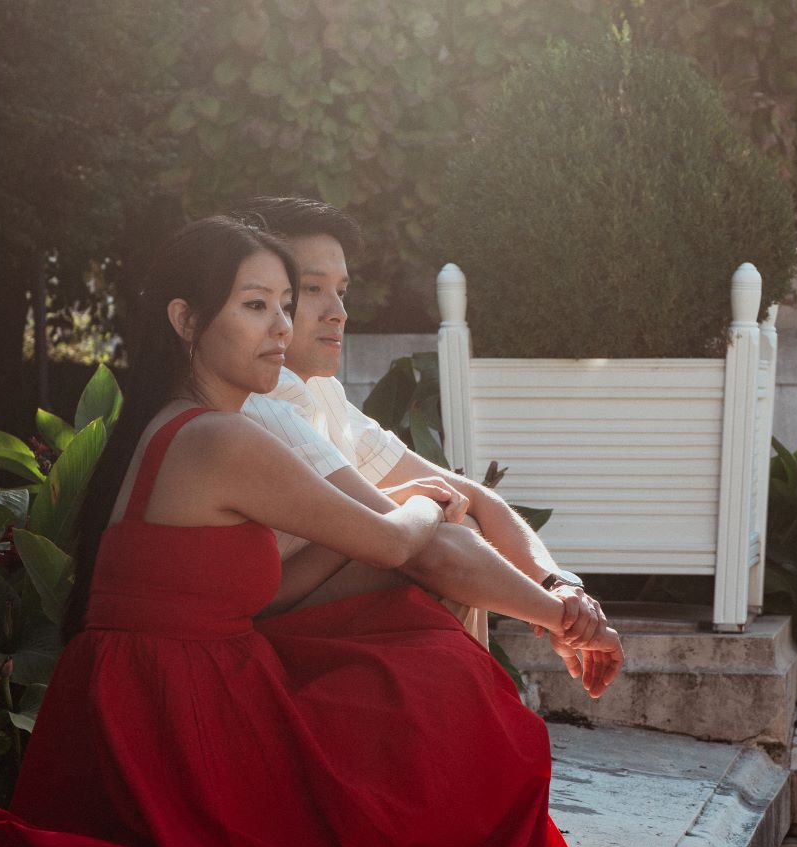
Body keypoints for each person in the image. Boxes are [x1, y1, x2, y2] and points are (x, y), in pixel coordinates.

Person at [0, 216, 618, 847]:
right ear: (186, 320)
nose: (282, 329)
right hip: (178, 719)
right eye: (255, 306)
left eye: (284, 307)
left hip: (149, 698)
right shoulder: (223, 439)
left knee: (417, 670)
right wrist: (431, 502)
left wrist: (420, 520)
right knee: (441, 695)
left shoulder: (170, 423)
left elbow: (298, 571)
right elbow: (393, 542)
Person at [240, 196, 624, 697]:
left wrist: (559, 584)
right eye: (313, 289)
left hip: (308, 606)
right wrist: (564, 619)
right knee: (445, 540)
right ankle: (480, 717)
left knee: (457, 528)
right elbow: (411, 544)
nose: (339, 312)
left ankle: (476, 715)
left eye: (342, 291)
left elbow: (477, 497)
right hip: (262, 633)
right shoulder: (264, 402)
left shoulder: (319, 391)